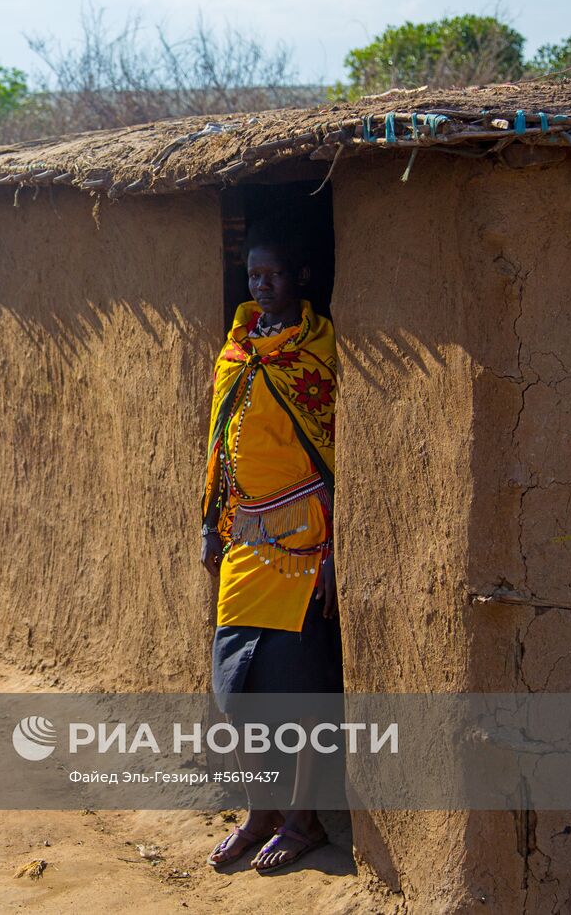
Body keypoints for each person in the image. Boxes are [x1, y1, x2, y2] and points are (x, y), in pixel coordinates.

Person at [201, 219, 340, 873]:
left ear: (300, 277)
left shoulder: (313, 350)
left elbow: (335, 451)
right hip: (245, 539)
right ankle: (260, 809)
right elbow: (218, 441)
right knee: (237, 689)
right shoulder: (238, 350)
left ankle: (303, 818)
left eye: (274, 275)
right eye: (254, 275)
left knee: (299, 690)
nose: (262, 286)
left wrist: (339, 551)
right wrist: (210, 523)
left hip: (303, 540)